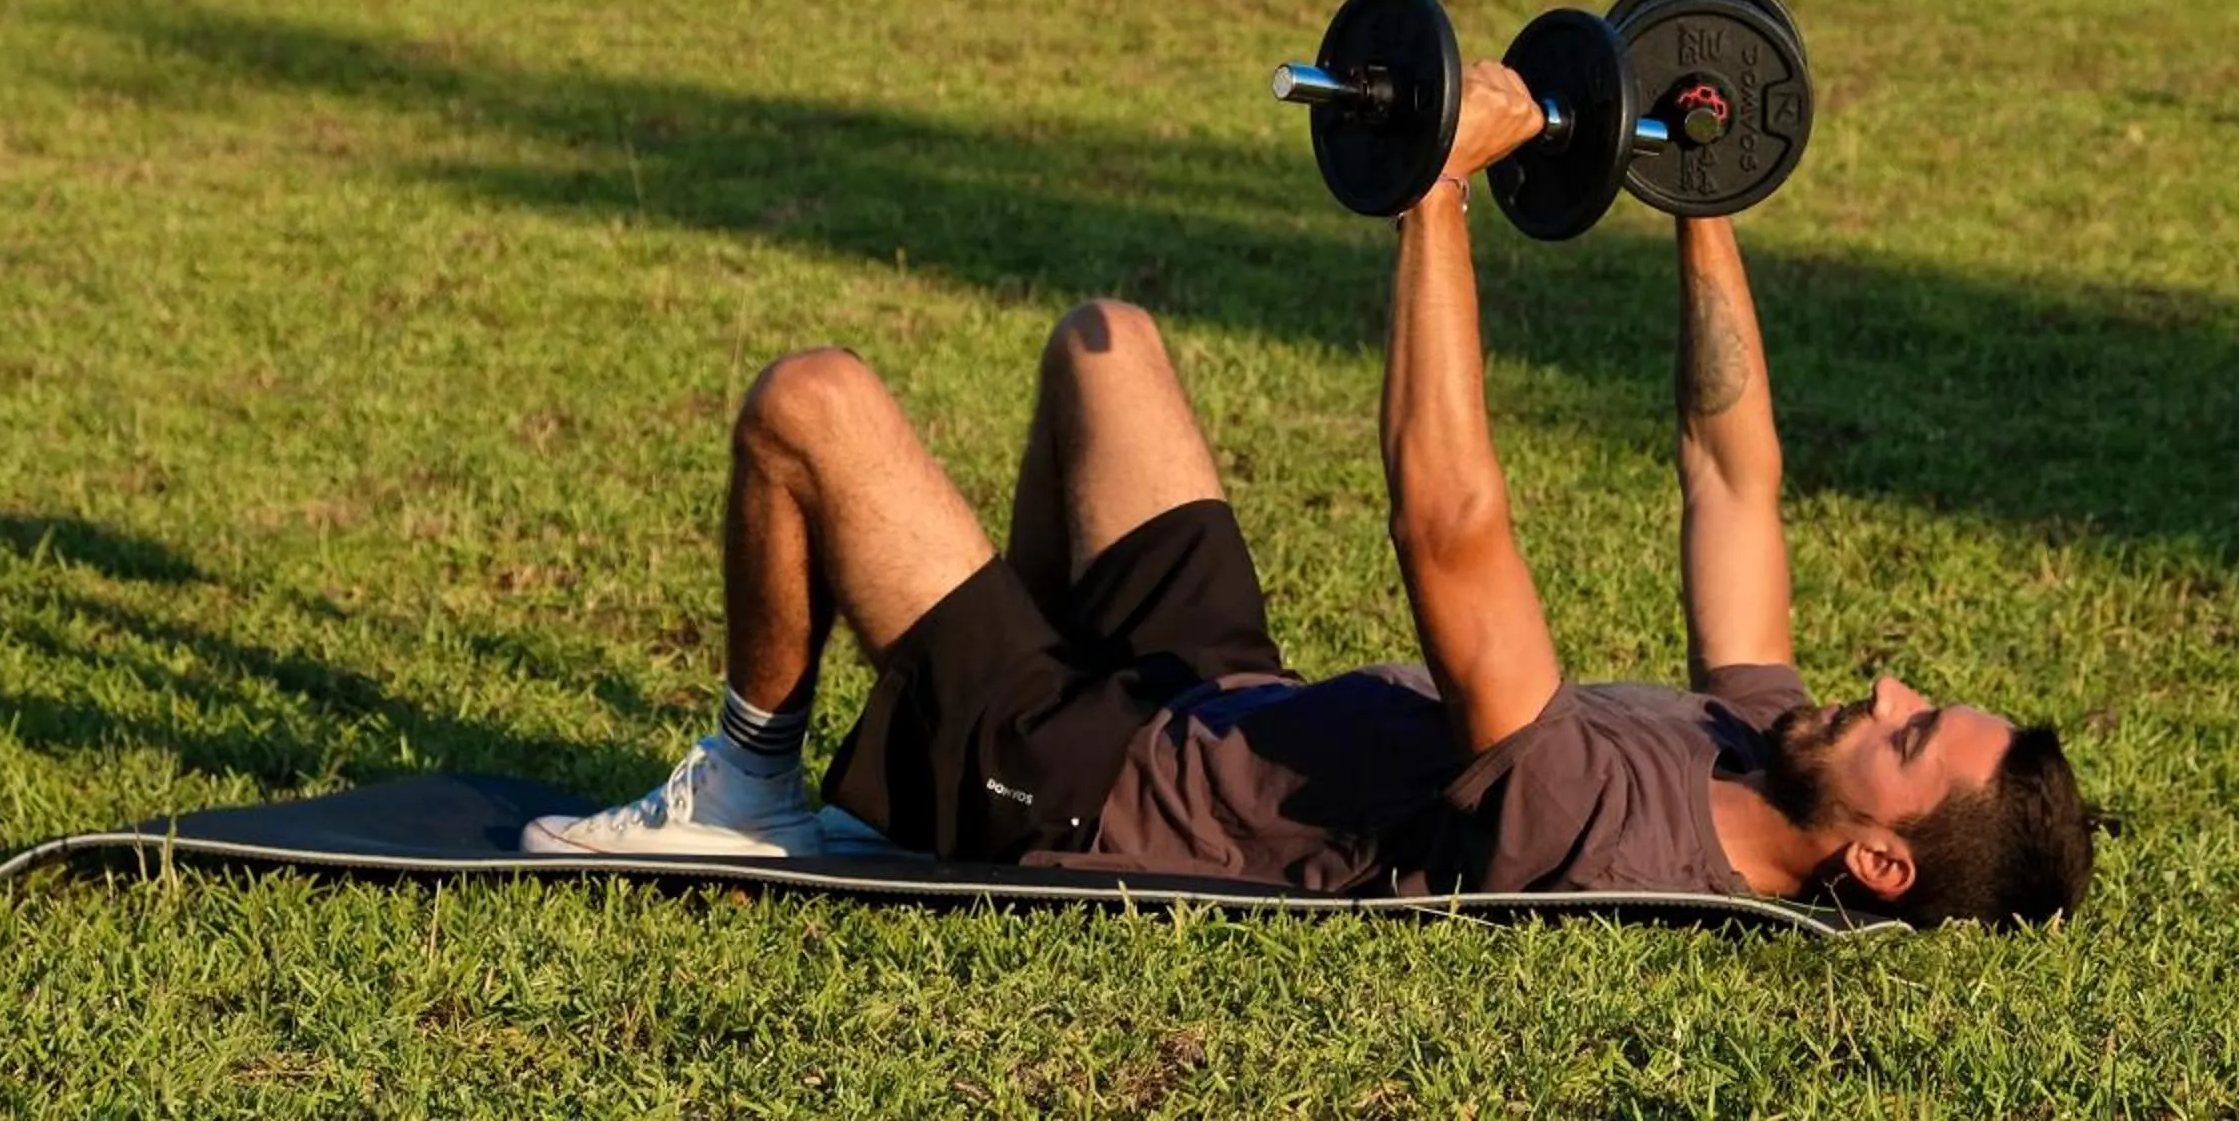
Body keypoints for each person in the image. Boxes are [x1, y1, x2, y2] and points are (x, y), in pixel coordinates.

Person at [526, 62, 2096, 926]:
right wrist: (1698, 195)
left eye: (1907, 733)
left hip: (1100, 791)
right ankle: (951, 723)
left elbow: (1447, 522)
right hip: (1215, 700)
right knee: (1107, 344)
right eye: (1913, 694)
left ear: (1877, 861)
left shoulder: (1602, 830)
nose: (1883, 689)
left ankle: (756, 782)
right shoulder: (1758, 734)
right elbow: (1732, 475)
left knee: (812, 402)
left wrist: (1436, 197)